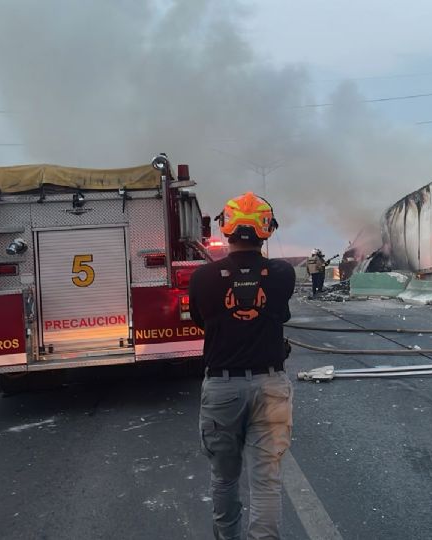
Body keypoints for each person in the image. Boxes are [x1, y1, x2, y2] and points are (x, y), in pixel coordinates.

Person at [188, 191, 296, 540]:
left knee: (224, 477)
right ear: (268, 228)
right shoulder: (282, 274)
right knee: (266, 480)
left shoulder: (203, 277)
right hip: (270, 386)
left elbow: (201, 321)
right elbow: (279, 312)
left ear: (225, 228)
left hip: (222, 387)